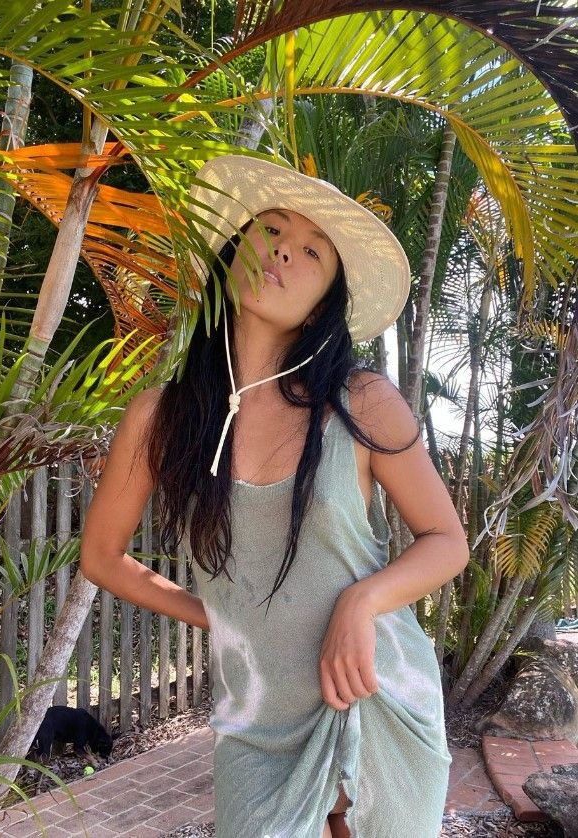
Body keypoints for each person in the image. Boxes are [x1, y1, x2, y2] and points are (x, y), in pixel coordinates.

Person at [80, 154, 469, 838]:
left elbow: (447, 542)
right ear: (234, 251)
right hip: (255, 722)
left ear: (322, 305)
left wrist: (361, 601)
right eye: (271, 230)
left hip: (378, 698)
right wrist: (220, 616)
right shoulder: (161, 417)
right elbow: (102, 558)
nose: (285, 250)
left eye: (312, 251)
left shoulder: (361, 402)